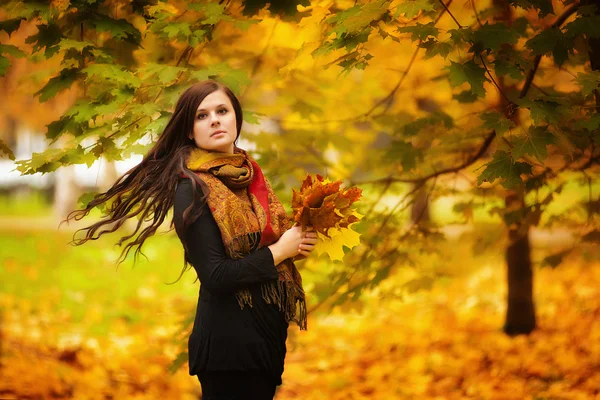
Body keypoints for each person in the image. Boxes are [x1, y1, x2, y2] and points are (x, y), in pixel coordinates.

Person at [64, 80, 317, 399]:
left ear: (235, 117)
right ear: (189, 131)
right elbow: (215, 275)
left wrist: (295, 245)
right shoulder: (193, 189)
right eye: (202, 115)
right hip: (229, 349)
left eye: (222, 111)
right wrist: (280, 251)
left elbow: (262, 246)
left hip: (264, 339)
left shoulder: (249, 175)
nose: (215, 119)